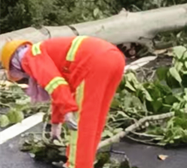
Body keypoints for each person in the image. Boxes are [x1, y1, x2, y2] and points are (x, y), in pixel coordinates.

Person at [1, 36, 126, 168]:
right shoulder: (43, 52)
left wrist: (68, 110)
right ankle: (85, 163)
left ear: (14, 64)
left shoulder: (30, 57)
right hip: (115, 59)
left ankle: (77, 165)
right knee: (95, 120)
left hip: (92, 65)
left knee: (82, 126)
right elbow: (60, 87)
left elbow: (54, 83)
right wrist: (56, 124)